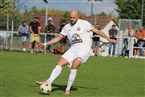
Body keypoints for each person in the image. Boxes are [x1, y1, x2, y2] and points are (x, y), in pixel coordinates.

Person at [36, 9, 116, 95]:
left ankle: (68, 88)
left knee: (74, 65)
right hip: (73, 48)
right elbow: (58, 38)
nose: (72, 19)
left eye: (74, 17)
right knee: (59, 63)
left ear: (78, 17)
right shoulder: (67, 27)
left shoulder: (84, 23)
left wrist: (108, 39)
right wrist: (45, 44)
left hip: (84, 49)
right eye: (70, 17)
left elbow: (97, 31)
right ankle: (48, 81)